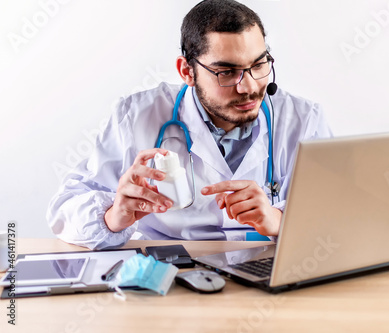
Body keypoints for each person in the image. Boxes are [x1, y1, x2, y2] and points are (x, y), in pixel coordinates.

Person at [47, 0, 333, 250]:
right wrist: (112, 216)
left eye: (258, 65)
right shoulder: (136, 115)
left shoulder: (304, 119)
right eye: (227, 72)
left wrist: (279, 220)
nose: (248, 86)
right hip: (171, 275)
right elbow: (63, 209)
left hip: (265, 274)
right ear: (187, 71)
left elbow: (341, 214)